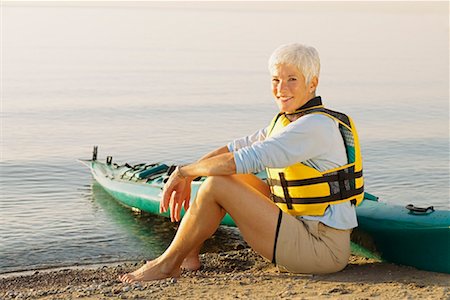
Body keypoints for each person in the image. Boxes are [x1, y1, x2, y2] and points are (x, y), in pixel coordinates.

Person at [119, 43, 364, 283]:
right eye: (276, 80)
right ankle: (188, 257)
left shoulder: (314, 126)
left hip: (320, 250)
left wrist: (183, 172)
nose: (281, 88)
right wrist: (192, 174)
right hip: (300, 231)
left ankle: (166, 265)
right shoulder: (289, 121)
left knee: (219, 183)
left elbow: (241, 160)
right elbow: (235, 148)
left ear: (312, 84)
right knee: (224, 177)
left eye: (292, 79)